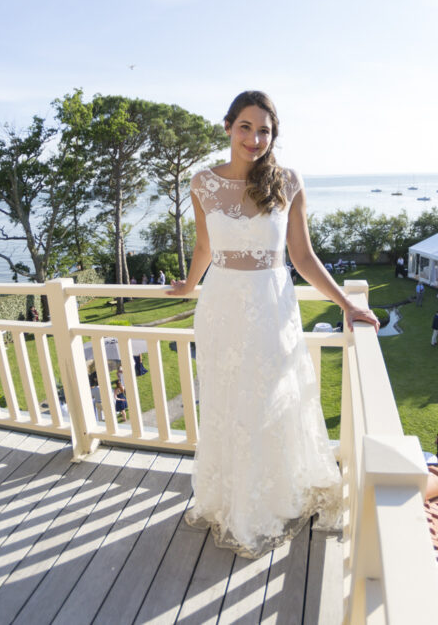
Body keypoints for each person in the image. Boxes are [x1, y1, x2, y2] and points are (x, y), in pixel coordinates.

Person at [165, 91, 379, 559]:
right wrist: (188, 286)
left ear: (272, 135)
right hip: (221, 309)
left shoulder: (288, 182)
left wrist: (346, 304)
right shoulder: (202, 184)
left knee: (272, 402)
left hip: (270, 309)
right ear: (228, 127)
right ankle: (231, 500)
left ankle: (272, 500)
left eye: (264, 130)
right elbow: (204, 248)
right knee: (227, 403)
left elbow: (302, 256)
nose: (254, 139)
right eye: (245, 127)